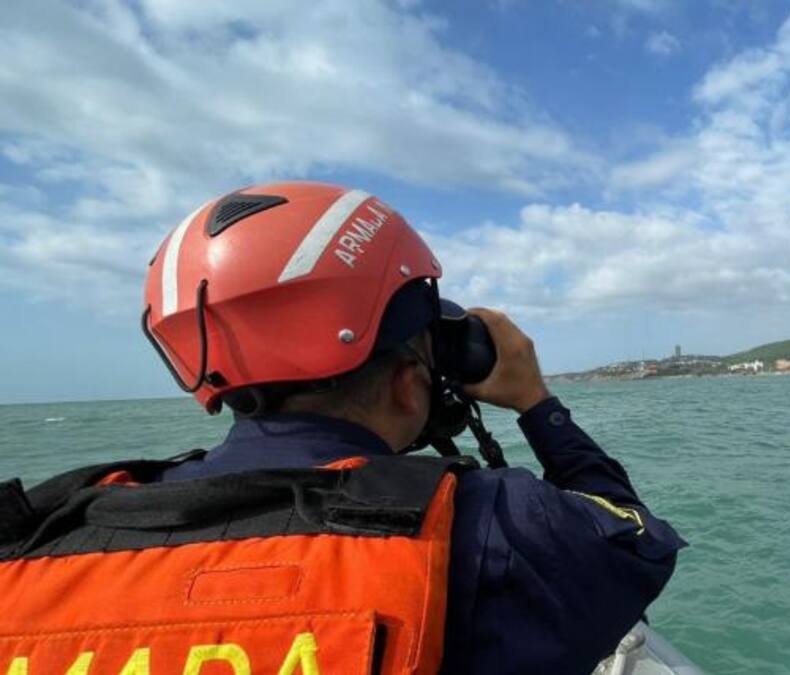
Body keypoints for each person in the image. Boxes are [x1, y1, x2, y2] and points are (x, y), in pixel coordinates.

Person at [0, 182, 685, 675]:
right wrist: (536, 402)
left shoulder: (36, 537)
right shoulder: (491, 529)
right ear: (408, 378)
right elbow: (638, 542)